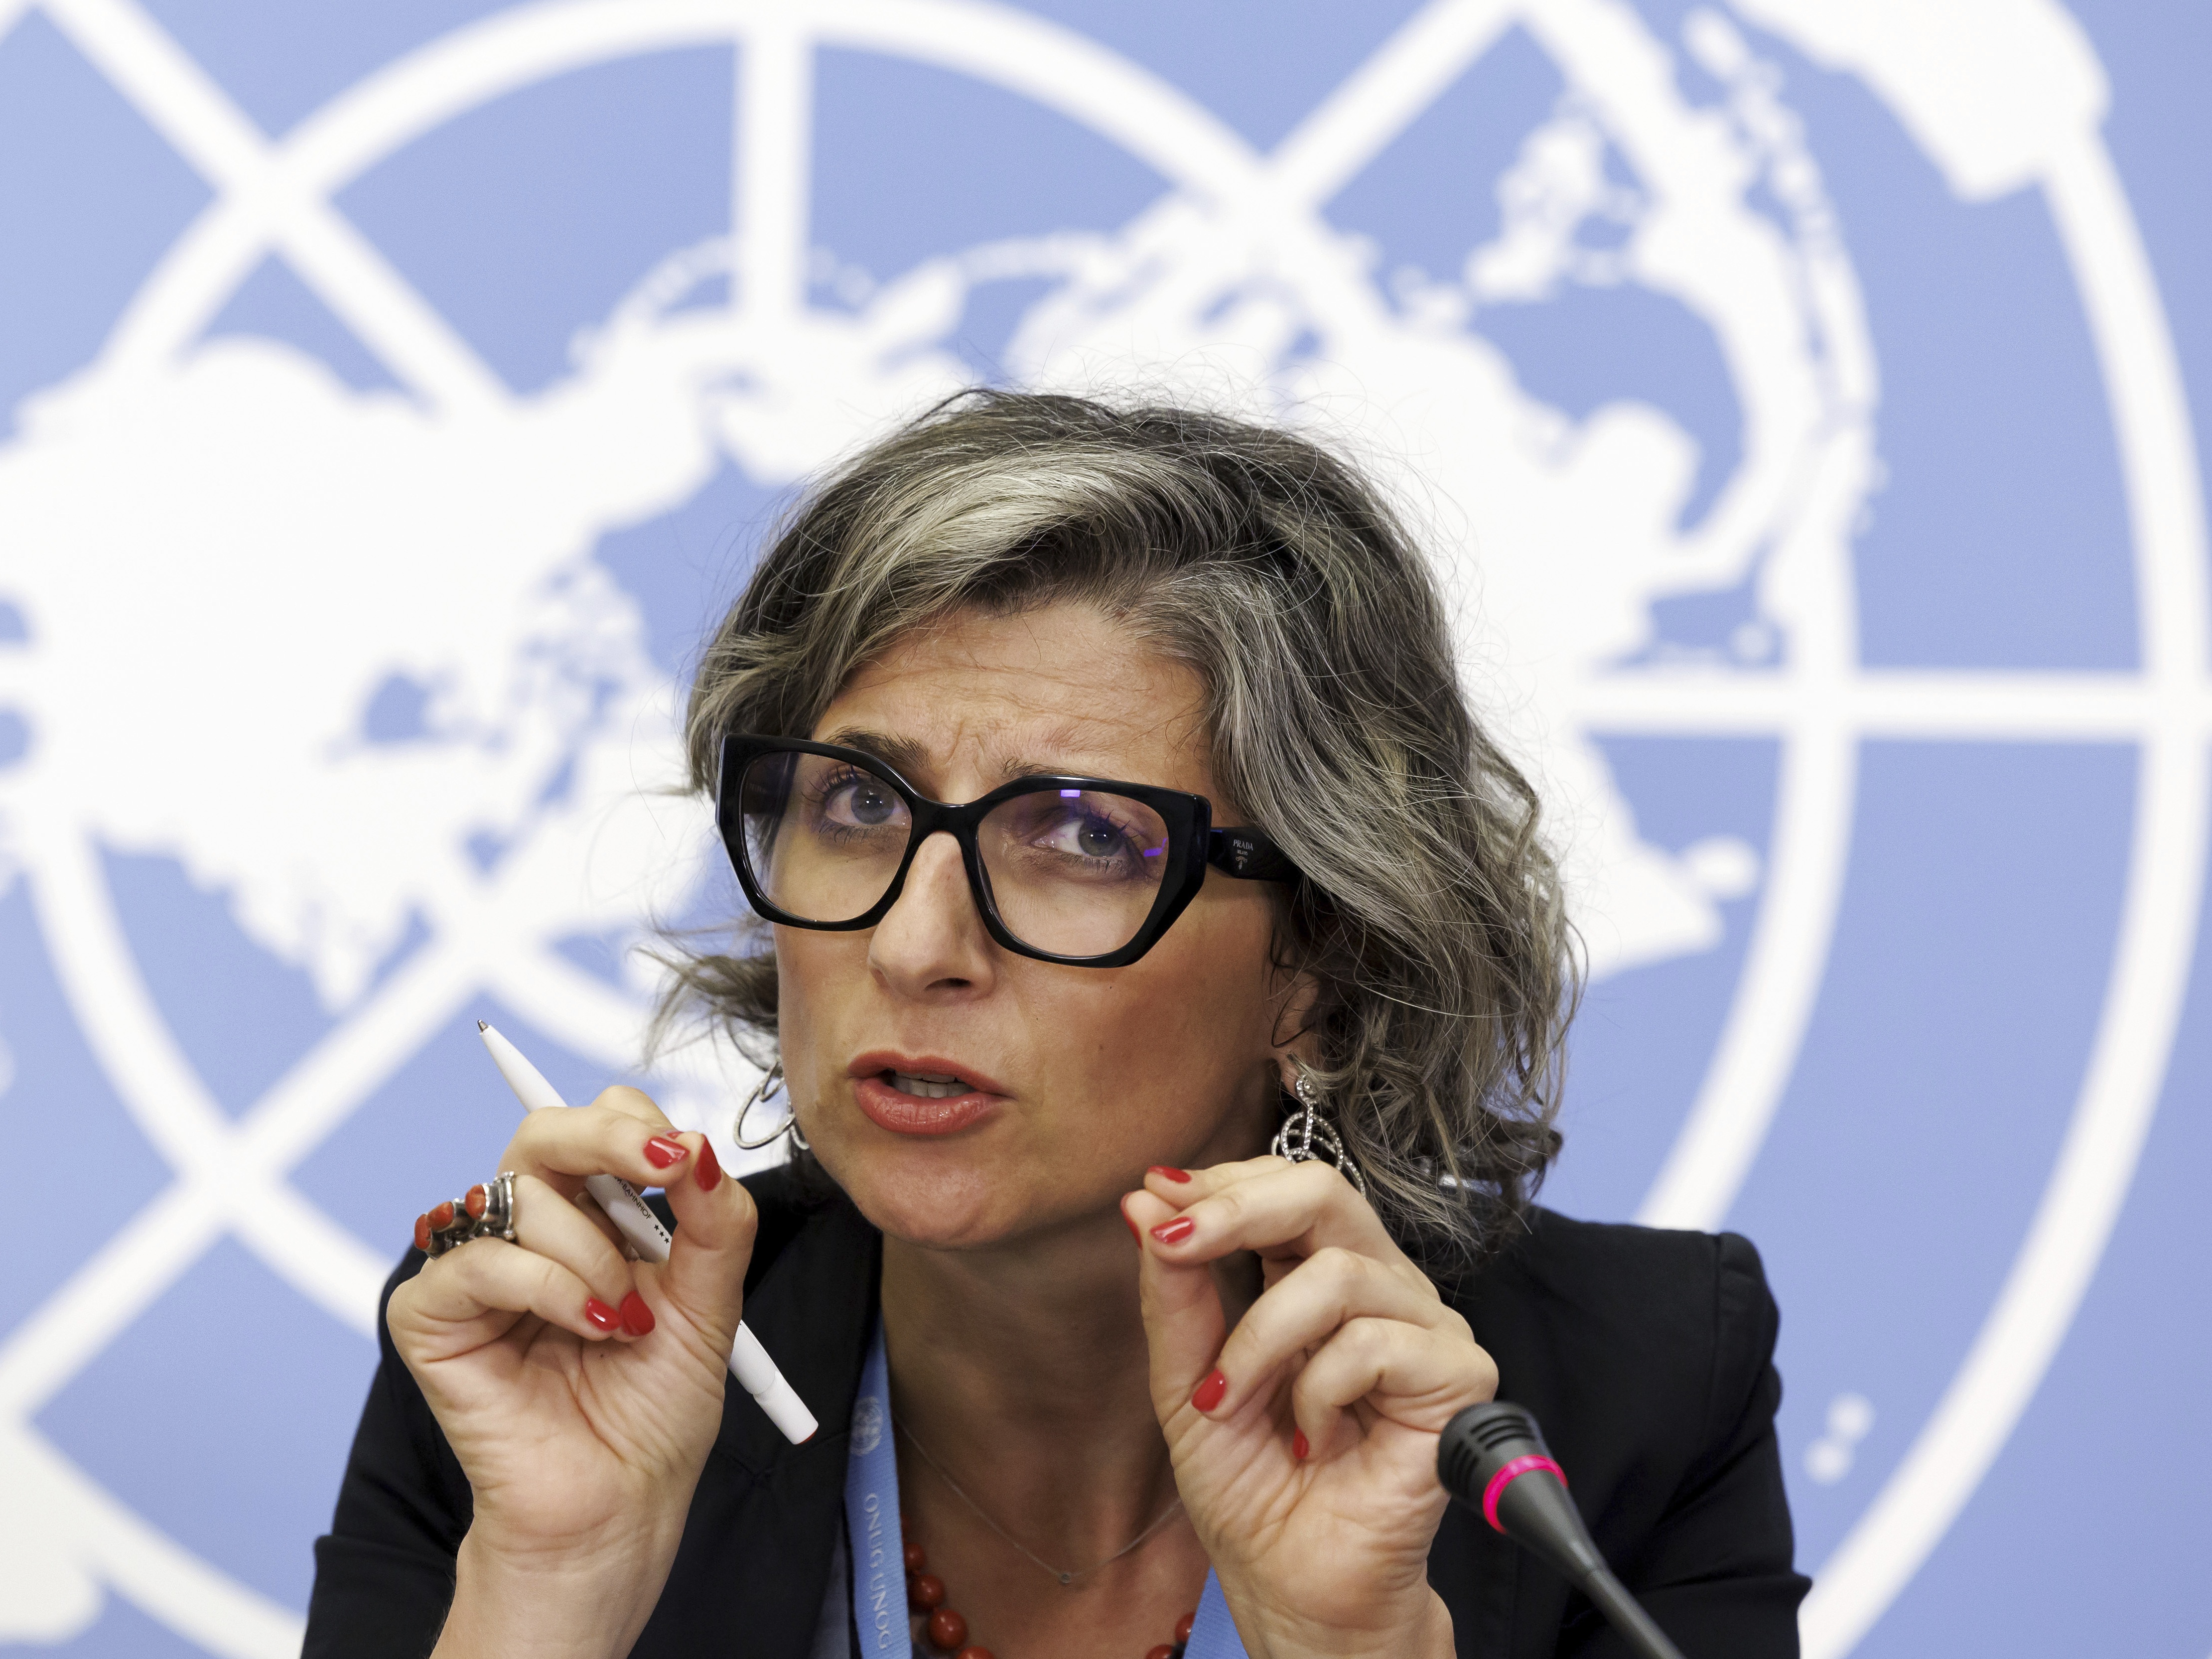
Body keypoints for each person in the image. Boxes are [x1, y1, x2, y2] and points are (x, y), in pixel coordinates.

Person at [304, 393, 1808, 1659]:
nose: (911, 941)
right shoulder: (548, 1355)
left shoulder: (1626, 1407)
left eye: (1084, 837)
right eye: (856, 802)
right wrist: (551, 1592)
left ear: (1322, 964)